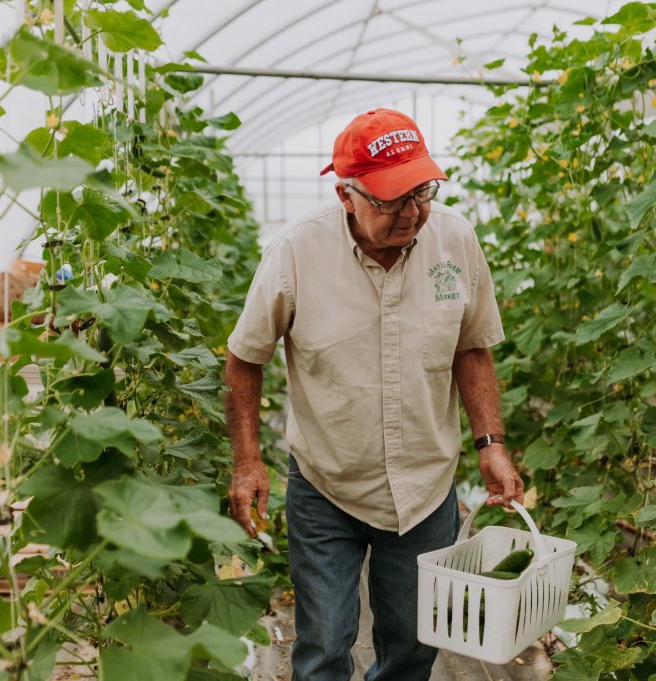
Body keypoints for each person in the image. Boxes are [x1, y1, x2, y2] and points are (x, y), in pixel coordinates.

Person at [224, 108, 524, 681]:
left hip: (425, 488)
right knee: (324, 646)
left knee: (414, 645)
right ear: (346, 195)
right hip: (326, 484)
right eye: (391, 200)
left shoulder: (454, 239)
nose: (413, 213)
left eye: (422, 192)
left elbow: (472, 346)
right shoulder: (297, 253)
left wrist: (491, 442)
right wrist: (247, 461)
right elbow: (244, 359)